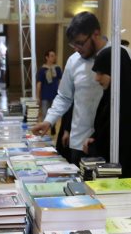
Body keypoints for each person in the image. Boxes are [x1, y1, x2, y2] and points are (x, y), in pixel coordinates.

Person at [30, 12, 109, 165]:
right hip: (79, 142)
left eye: (80, 43)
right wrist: (49, 121)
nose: (77, 49)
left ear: (96, 33)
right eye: (73, 44)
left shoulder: (118, 56)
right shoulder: (74, 61)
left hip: (106, 142)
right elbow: (64, 96)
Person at [90, 47, 131, 187]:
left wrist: (94, 146)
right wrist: (94, 139)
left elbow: (123, 147)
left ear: (116, 71)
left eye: (101, 73)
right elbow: (104, 129)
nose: (96, 78)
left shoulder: (130, 103)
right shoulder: (111, 97)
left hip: (126, 180)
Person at [36, 50, 62, 124]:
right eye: (52, 56)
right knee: (45, 114)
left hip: (55, 95)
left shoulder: (57, 68)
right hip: (45, 95)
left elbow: (61, 81)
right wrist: (38, 96)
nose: (54, 57)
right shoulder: (42, 69)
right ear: (47, 57)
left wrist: (61, 92)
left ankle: (53, 127)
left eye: (54, 56)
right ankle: (45, 129)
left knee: (54, 114)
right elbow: (39, 83)